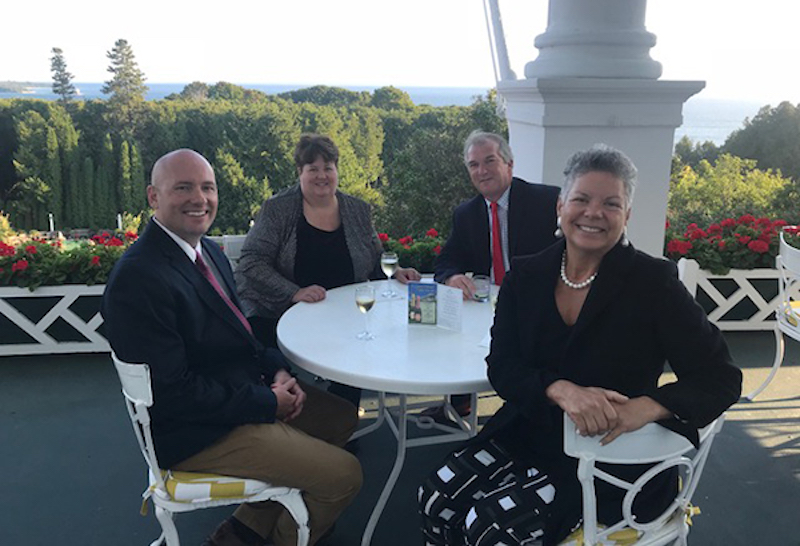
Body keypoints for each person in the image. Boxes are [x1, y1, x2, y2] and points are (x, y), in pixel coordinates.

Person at [418, 145, 742, 546]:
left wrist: (647, 407)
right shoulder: (527, 274)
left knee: (490, 528)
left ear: (627, 216)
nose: (594, 213)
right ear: (560, 206)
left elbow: (721, 378)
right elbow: (502, 366)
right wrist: (559, 389)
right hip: (529, 432)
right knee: (435, 497)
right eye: (581, 199)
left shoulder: (653, 284)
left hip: (611, 457)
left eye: (611, 203)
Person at [102, 149, 361, 546]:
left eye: (207, 188)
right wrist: (266, 403)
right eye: (183, 188)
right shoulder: (140, 278)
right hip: (196, 433)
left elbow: (241, 336)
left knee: (340, 417)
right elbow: (173, 395)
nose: (199, 199)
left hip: (235, 393)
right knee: (345, 476)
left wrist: (277, 372)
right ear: (154, 197)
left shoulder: (207, 253)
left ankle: (245, 529)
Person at [236, 133, 420, 408]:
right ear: (300, 172)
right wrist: (294, 292)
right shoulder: (278, 209)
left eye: (328, 168)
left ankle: (342, 421)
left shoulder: (357, 210)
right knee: (269, 359)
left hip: (343, 310)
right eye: (313, 169)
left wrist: (397, 273)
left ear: (337, 170)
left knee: (361, 342)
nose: (321, 175)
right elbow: (251, 261)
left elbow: (373, 259)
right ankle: (293, 419)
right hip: (278, 309)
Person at [425, 130, 560, 420]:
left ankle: (524, 414)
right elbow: (447, 259)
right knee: (454, 332)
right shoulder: (466, 213)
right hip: (493, 301)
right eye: (474, 165)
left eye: (489, 161)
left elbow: (570, 251)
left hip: (541, 302)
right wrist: (451, 277)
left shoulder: (546, 201)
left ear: (509, 164)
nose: (482, 171)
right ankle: (459, 402)